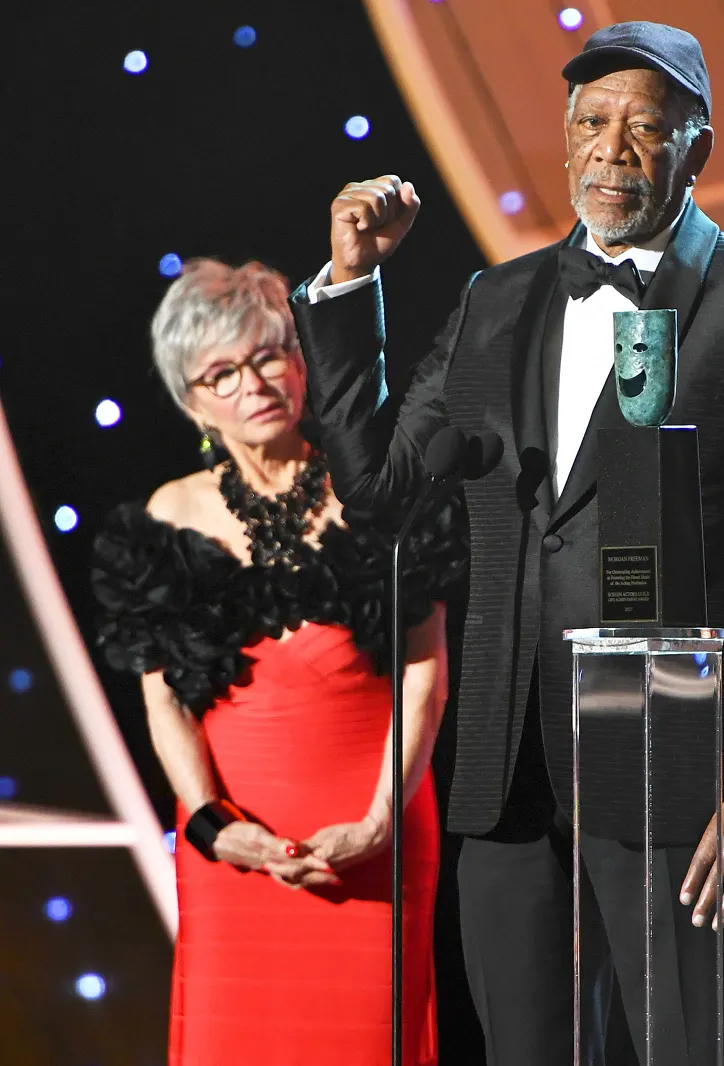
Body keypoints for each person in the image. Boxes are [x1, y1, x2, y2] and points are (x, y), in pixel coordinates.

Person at [291, 21, 724, 1066]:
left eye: (644, 128)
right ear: (562, 138)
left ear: (698, 149)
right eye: (590, 123)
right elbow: (383, 487)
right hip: (508, 760)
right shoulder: (497, 298)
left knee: (691, 1045)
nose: (611, 150)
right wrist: (349, 284)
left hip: (676, 761)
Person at [92, 259, 464, 1066]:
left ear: (301, 364)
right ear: (192, 401)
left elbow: (425, 671)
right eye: (221, 373)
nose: (252, 383)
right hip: (235, 852)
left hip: (375, 829)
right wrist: (209, 822)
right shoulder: (166, 517)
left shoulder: (377, 493)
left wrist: (378, 821)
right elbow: (165, 700)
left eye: (268, 355)